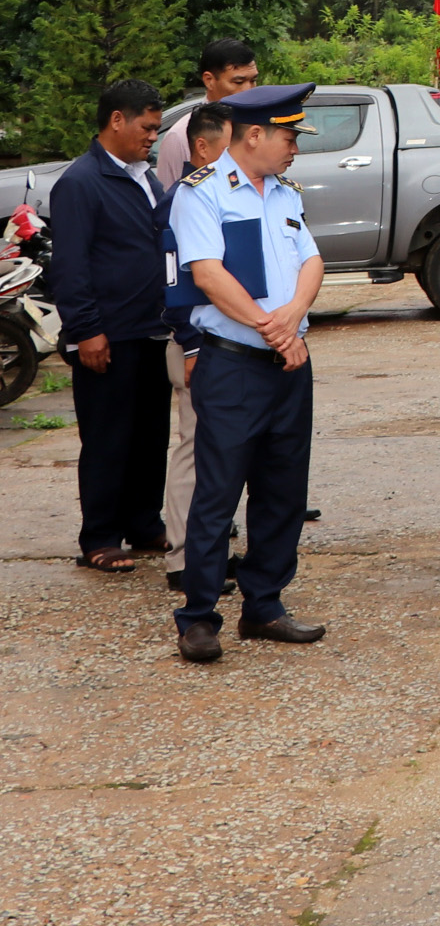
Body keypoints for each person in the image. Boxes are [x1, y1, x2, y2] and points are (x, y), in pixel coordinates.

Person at [171, 84, 327, 663]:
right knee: (218, 493)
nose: (295, 149)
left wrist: (290, 319)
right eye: (289, 137)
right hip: (234, 365)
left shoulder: (285, 193)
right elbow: (208, 275)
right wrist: (273, 327)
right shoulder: (203, 194)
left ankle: (264, 606)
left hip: (288, 365)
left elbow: (311, 260)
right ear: (254, 135)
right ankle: (198, 617)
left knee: (283, 491)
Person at [50, 80, 174, 575]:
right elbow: (71, 266)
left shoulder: (147, 177)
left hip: (152, 329)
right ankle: (99, 536)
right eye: (146, 128)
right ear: (116, 120)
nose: (152, 138)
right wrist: (86, 330)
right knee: (107, 438)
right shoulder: (81, 182)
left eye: (156, 129)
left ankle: (144, 523)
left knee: (149, 434)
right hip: (109, 334)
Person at [160, 103, 231, 595]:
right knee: (192, 446)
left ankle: (212, 548)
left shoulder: (225, 194)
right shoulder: (179, 200)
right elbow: (172, 286)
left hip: (226, 342)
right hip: (195, 343)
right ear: (202, 148)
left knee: (222, 450)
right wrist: (189, 345)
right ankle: (183, 556)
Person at [154, 38, 257, 191]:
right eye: (239, 82)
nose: (248, 90)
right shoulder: (181, 135)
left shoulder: (258, 125)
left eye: (253, 80)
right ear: (209, 80)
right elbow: (174, 201)